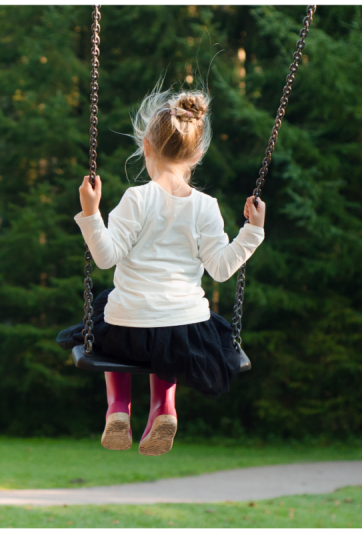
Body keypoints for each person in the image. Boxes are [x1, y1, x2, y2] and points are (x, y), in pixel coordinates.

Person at [56, 80, 267, 456]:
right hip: (184, 331)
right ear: (197, 153)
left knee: (109, 312)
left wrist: (91, 213)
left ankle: (118, 409)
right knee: (169, 338)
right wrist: (252, 231)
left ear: (146, 146)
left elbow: (105, 257)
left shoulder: (136, 199)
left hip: (128, 328)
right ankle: (164, 408)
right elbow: (221, 269)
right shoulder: (206, 206)